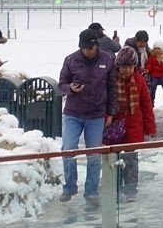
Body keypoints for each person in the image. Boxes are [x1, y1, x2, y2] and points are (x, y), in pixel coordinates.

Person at [58, 28, 117, 205]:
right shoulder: (71, 60)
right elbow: (61, 84)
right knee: (68, 149)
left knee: (94, 153)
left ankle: (91, 191)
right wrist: (70, 89)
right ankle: (69, 186)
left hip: (96, 115)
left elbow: (112, 88)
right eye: (83, 49)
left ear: (96, 46)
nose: (87, 52)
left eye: (89, 49)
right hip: (73, 113)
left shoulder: (108, 60)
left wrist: (111, 112)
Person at [108, 46, 155, 201]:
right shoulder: (111, 80)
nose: (126, 70)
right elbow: (105, 102)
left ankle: (130, 190)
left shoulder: (139, 81)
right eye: (123, 67)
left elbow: (146, 105)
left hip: (134, 126)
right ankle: (114, 189)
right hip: (115, 127)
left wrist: (150, 128)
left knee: (131, 162)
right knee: (113, 161)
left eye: (129, 67)